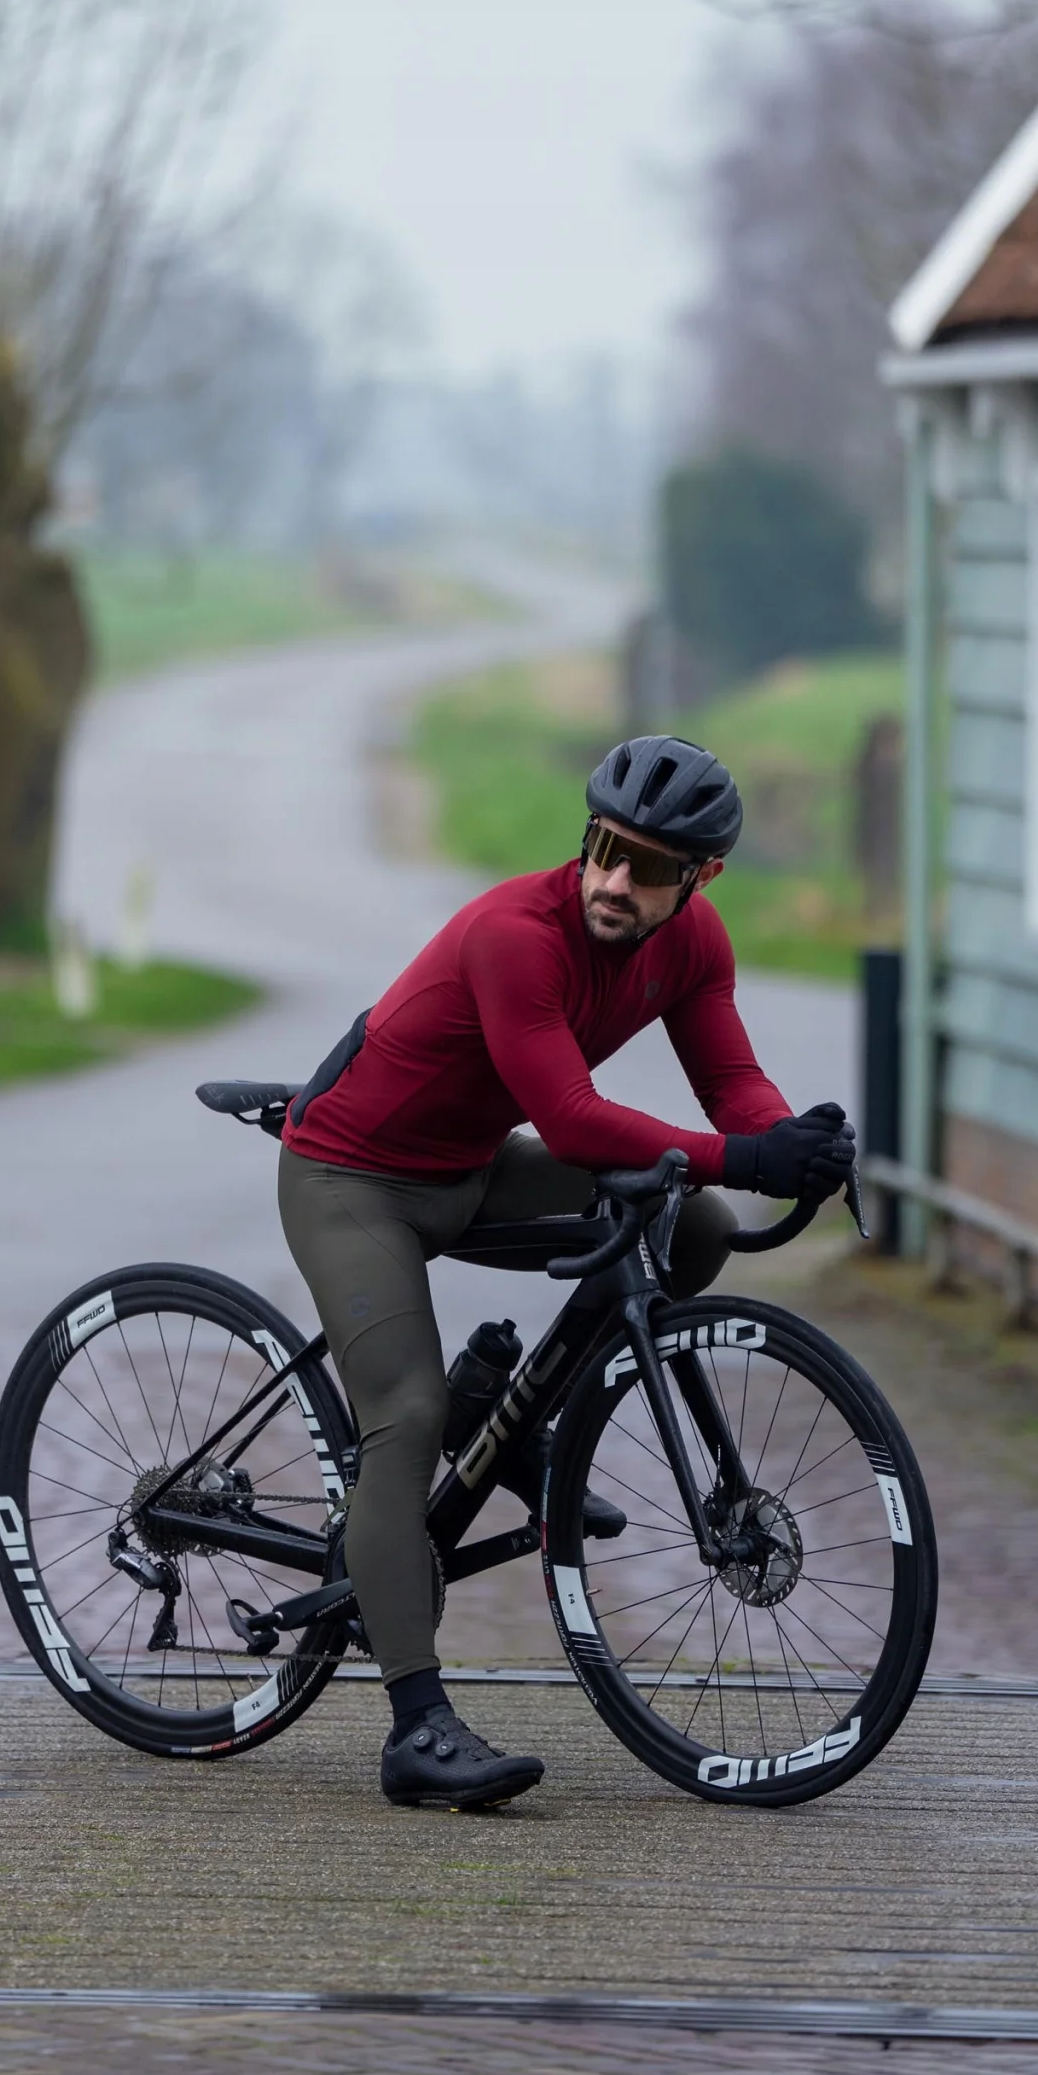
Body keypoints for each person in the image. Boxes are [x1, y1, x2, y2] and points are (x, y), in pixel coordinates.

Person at [278, 733, 857, 1810]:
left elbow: (730, 1079)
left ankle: (514, 1425)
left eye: (648, 866)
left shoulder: (693, 943)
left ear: (701, 878)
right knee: (404, 1417)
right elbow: (573, 1119)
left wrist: (789, 1138)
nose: (614, 880)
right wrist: (745, 1155)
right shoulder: (516, 935)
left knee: (692, 1223)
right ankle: (416, 1729)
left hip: (467, 1166)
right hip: (352, 1176)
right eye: (602, 847)